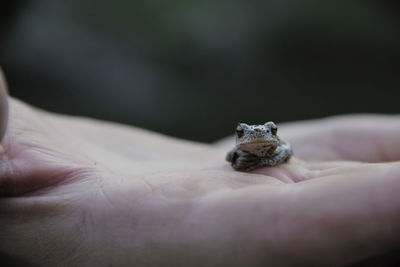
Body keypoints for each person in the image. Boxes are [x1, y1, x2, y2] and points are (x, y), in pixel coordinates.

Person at [0, 71, 399, 267]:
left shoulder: (276, 144)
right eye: (246, 133)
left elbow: (286, 152)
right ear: (240, 135)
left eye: (265, 132)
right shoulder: (241, 149)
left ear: (273, 134)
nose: (257, 135)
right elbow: (233, 157)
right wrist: (242, 157)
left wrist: (272, 155)